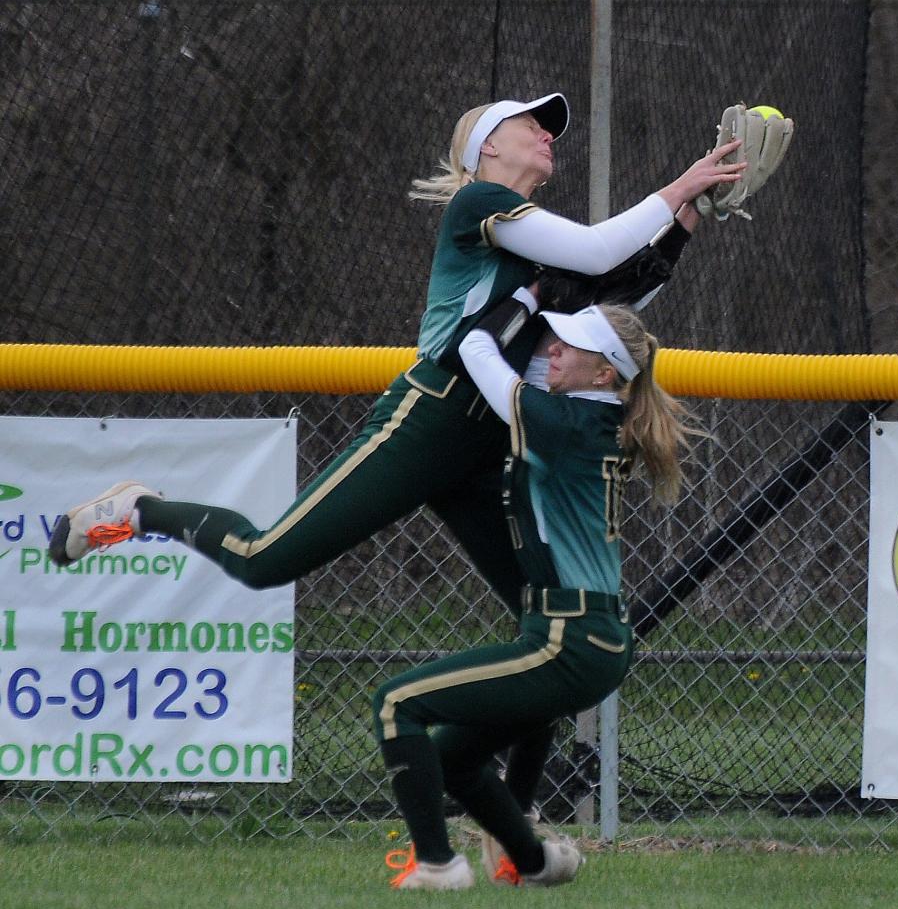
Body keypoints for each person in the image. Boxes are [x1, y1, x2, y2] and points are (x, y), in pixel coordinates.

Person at [48, 92, 743, 612]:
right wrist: (679, 185)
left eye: (547, 126)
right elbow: (597, 249)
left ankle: (509, 804)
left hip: (492, 438)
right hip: (430, 418)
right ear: (484, 152)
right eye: (527, 122)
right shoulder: (478, 206)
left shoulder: (540, 254)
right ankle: (139, 508)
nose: (544, 132)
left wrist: (691, 217)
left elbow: (613, 296)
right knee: (264, 560)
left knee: (550, 616)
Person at [374, 301, 703, 889]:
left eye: (569, 345)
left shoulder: (566, 424)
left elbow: (478, 349)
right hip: (588, 636)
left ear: (604, 373)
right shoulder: (590, 415)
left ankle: (437, 865)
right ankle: (533, 862)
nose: (552, 348)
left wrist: (524, 298)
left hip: (568, 638)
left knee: (398, 705)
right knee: (451, 757)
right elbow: (529, 369)